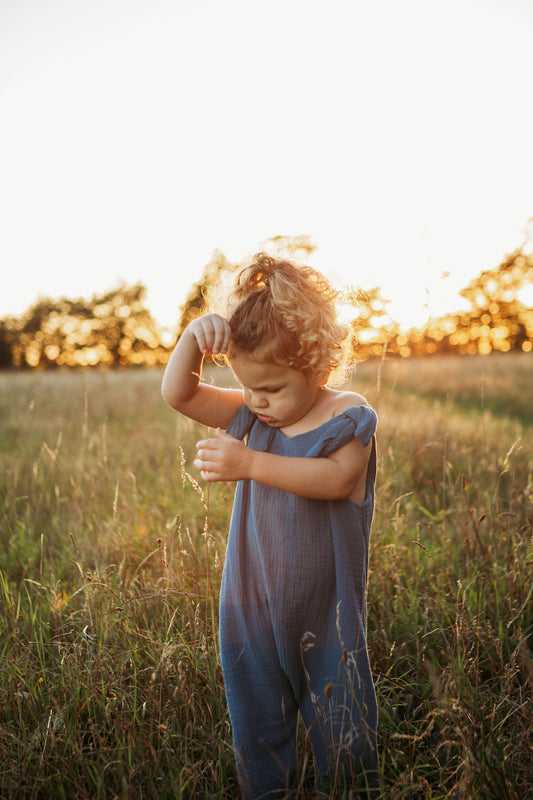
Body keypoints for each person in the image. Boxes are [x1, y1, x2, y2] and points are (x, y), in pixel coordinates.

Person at [161, 253, 380, 799]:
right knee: (257, 727)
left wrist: (250, 464)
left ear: (319, 369)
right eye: (246, 385)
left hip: (327, 614)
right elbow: (180, 394)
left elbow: (335, 479)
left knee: (345, 734)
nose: (256, 401)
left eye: (273, 388)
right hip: (249, 605)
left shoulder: (346, 417)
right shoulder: (253, 415)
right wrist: (193, 337)